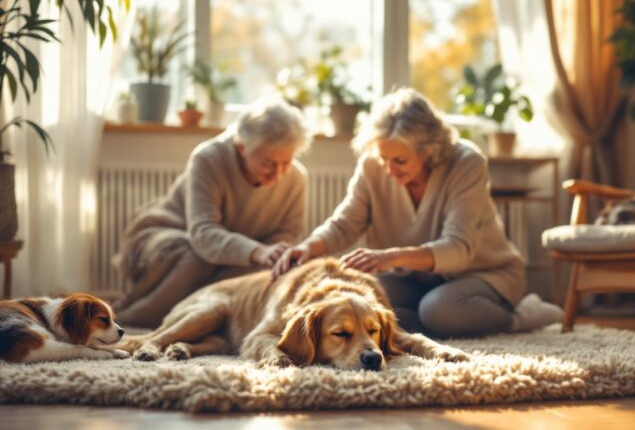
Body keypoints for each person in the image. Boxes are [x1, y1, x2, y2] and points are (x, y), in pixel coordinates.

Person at [273, 88, 562, 338]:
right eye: (383, 158)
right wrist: (308, 247)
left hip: (484, 274)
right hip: (415, 279)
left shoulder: (466, 162)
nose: (388, 168)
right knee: (361, 299)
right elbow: (345, 224)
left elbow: (459, 248)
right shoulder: (374, 164)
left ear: (428, 150)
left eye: (399, 160)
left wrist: (388, 257)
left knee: (439, 311)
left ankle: (523, 316)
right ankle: (430, 319)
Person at [113, 96, 310, 328]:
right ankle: (135, 317)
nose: (278, 174)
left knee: (259, 271)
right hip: (171, 237)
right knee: (199, 258)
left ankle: (197, 318)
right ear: (242, 148)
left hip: (236, 256)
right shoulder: (209, 158)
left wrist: (266, 254)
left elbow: (285, 236)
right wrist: (257, 251)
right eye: (268, 163)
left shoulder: (297, 178)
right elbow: (203, 235)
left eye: (286, 162)